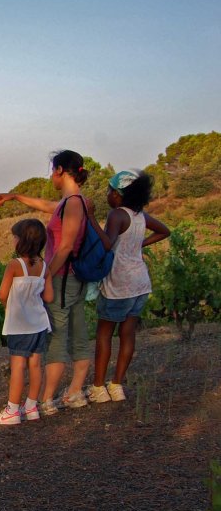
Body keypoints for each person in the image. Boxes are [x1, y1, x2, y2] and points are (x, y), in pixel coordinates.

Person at [0, 150, 93, 416]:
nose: (51, 177)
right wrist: (15, 196)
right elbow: (44, 205)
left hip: (62, 279)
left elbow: (67, 246)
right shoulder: (76, 201)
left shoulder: (72, 203)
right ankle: (75, 392)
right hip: (73, 279)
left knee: (58, 340)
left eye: (52, 171)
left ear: (60, 170)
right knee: (79, 335)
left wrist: (43, 275)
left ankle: (46, 401)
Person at [85, 170, 170, 402]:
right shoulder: (140, 216)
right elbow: (165, 231)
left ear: (119, 195)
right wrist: (139, 244)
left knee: (104, 333)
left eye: (110, 190)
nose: (107, 194)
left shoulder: (117, 215)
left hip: (119, 283)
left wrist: (91, 218)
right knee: (128, 333)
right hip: (140, 283)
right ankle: (117, 385)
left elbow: (106, 244)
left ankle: (98, 388)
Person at [0, 219, 54, 425]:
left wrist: (8, 304)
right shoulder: (44, 267)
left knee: (18, 366)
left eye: (14, 237)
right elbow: (49, 298)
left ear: (21, 241)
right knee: (35, 365)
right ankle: (32, 407)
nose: (13, 240)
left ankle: (12, 411)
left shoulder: (14, 265)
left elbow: (2, 294)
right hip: (39, 324)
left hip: (20, 325)